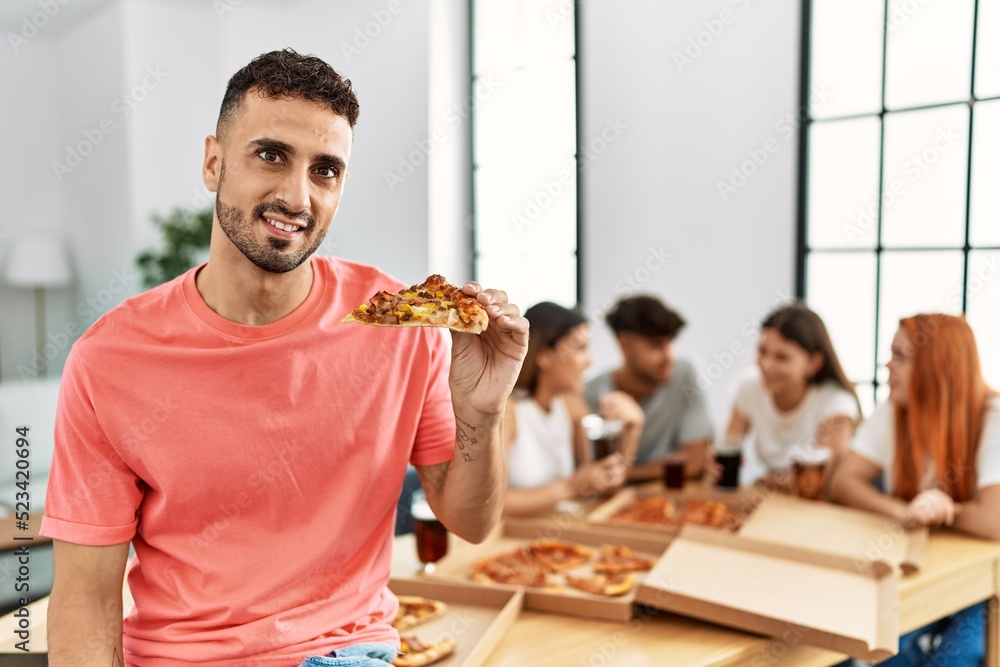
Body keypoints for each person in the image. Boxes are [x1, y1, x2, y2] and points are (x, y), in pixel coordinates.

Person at [40, 49, 528, 667]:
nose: (297, 196)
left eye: (326, 170)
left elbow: (470, 522)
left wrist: (483, 411)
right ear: (214, 162)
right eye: (271, 155)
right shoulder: (109, 359)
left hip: (344, 651)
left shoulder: (403, 325)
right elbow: (85, 597)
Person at [830, 314, 1000, 666]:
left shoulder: (992, 417)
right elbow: (844, 482)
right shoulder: (893, 410)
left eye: (901, 357)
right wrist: (904, 512)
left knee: (952, 660)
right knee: (879, 651)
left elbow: (993, 521)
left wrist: (944, 511)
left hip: (985, 582)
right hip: (920, 567)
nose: (887, 365)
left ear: (940, 368)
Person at [503, 302, 643, 516]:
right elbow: (491, 505)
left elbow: (604, 485)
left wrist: (633, 430)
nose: (590, 361)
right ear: (544, 356)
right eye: (580, 348)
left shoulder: (571, 404)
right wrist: (569, 487)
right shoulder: (508, 410)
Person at [719, 302, 860, 490]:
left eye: (782, 357)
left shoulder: (836, 402)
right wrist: (713, 466)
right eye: (762, 351)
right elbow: (728, 445)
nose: (767, 365)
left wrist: (768, 482)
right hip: (776, 503)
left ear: (814, 363)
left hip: (820, 508)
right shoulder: (749, 386)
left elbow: (816, 480)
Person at [583, 295, 713, 482]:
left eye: (670, 342)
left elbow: (695, 463)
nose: (669, 356)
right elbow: (589, 474)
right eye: (656, 345)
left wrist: (623, 474)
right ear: (623, 344)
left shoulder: (685, 375)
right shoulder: (590, 394)